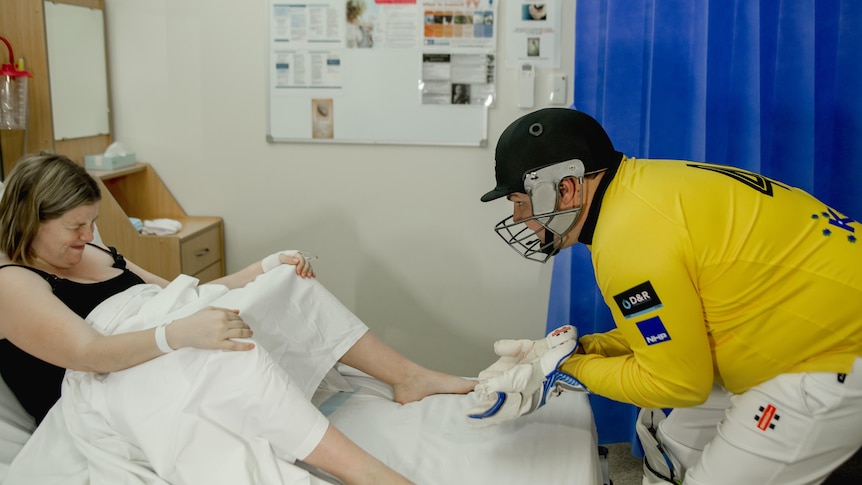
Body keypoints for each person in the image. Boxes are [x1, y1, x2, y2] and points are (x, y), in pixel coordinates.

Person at [0, 153, 475, 485]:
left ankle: (410, 377)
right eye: (74, 227)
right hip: (106, 386)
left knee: (290, 287)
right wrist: (179, 333)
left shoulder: (91, 247)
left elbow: (176, 293)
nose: (87, 236)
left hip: (158, 337)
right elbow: (89, 356)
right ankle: (367, 474)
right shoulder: (12, 280)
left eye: (91, 223)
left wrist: (264, 269)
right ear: (29, 218)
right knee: (230, 352)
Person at [468, 107, 862, 484]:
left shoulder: (629, 243)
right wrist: (588, 349)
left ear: (566, 188)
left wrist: (563, 370)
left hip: (835, 352)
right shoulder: (646, 187)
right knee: (671, 443)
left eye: (520, 202)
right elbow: (675, 325)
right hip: (806, 318)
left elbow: (676, 384)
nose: (519, 218)